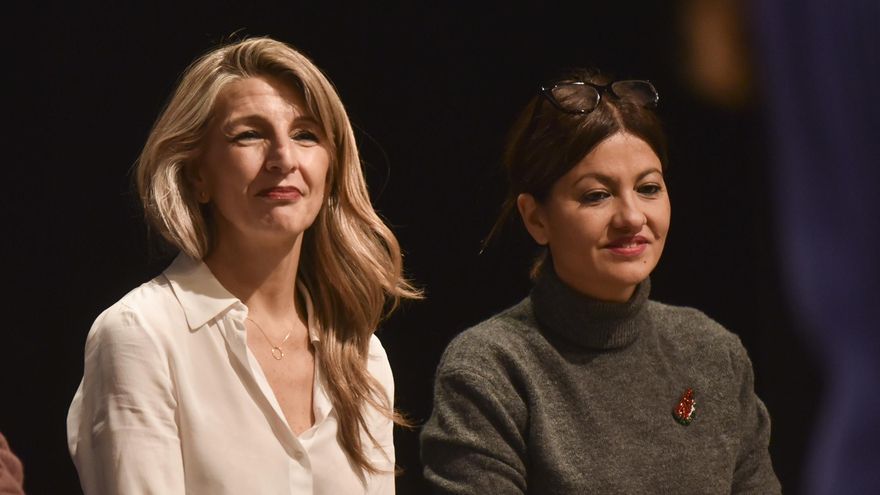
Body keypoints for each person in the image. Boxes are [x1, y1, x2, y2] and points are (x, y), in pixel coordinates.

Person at [67, 37, 419, 494]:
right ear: (198, 175)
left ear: (331, 170)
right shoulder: (141, 335)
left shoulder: (362, 357)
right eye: (250, 135)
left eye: (305, 135)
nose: (284, 159)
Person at [420, 69, 781, 493]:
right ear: (536, 218)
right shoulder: (491, 369)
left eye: (648, 188)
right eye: (596, 195)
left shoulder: (714, 354)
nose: (632, 217)